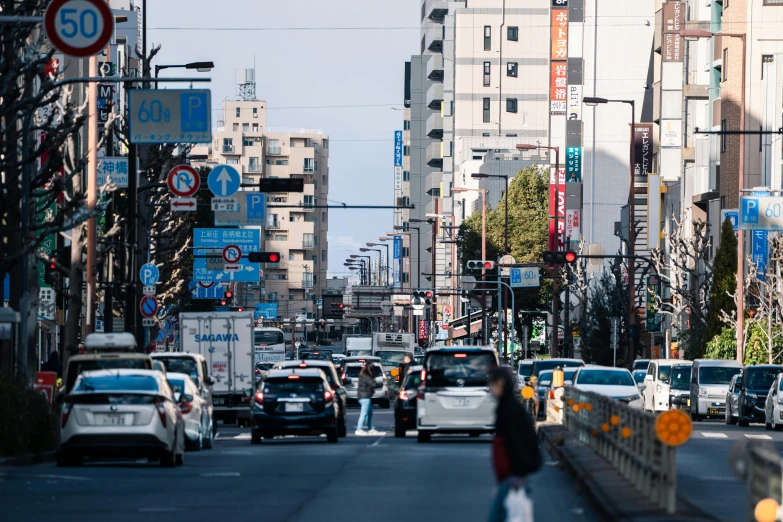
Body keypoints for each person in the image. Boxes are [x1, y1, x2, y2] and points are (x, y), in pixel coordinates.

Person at [488, 366, 541, 522]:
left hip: (513, 477)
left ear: (500, 383)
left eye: (491, 383)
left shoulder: (510, 410)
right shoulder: (507, 407)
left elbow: (518, 443)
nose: (489, 388)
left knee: (499, 517)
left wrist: (517, 474)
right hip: (510, 477)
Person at [356, 363, 381, 436]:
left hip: (363, 396)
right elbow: (373, 384)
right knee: (364, 414)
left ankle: (370, 429)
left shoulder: (362, 375)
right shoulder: (367, 377)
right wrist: (380, 383)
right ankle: (358, 429)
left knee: (369, 413)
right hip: (365, 397)